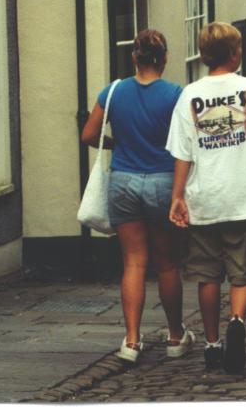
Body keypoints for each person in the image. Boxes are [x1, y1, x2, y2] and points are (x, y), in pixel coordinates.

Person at [166, 22, 246, 374]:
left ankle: (213, 343)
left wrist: (177, 197)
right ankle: (237, 321)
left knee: (208, 274)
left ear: (202, 57)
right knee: (242, 269)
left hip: (205, 198)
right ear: (235, 54)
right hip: (242, 195)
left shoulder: (189, 95)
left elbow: (182, 153)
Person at [81, 29, 194, 363]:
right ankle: (175, 337)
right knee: (167, 262)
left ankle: (131, 341)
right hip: (162, 182)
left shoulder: (113, 91)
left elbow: (89, 134)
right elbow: (186, 144)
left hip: (123, 181)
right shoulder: (176, 94)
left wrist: (120, 144)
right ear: (165, 58)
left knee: (132, 262)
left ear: (135, 56)